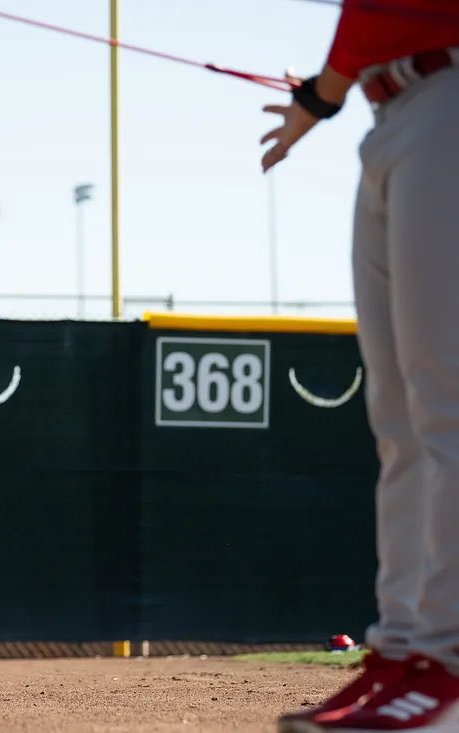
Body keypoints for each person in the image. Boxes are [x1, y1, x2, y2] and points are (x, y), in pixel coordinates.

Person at [261, 2, 459, 731]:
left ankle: (449, 664)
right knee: (401, 421)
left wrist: (323, 90)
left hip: (444, 96)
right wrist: (332, 86)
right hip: (392, 110)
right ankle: (405, 653)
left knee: (445, 406)